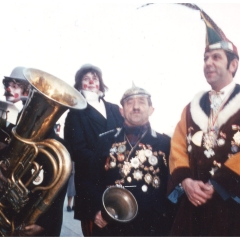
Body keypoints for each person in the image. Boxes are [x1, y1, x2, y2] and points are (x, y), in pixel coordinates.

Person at [167, 5, 240, 236]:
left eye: (216, 57)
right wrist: (185, 181)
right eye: (205, 57)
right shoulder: (191, 108)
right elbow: (177, 148)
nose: (208, 62)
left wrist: (219, 184)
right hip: (193, 208)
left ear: (233, 64)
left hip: (233, 207)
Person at [86, 84, 174, 236]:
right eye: (129, 102)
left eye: (141, 102)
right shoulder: (105, 140)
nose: (136, 107)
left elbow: (172, 189)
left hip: (150, 227)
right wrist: (95, 211)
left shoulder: (166, 143)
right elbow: (90, 181)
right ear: (121, 111)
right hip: (111, 224)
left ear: (151, 109)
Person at [0, 66, 70, 236]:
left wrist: (45, 224)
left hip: (30, 223)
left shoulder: (57, 147)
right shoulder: (9, 131)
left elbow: (56, 193)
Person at [64, 63, 124, 236]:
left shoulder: (114, 108)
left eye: (95, 78)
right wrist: (106, 160)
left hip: (119, 182)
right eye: (86, 79)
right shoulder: (74, 113)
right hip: (91, 187)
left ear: (101, 83)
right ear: (79, 85)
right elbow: (77, 151)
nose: (91, 82)